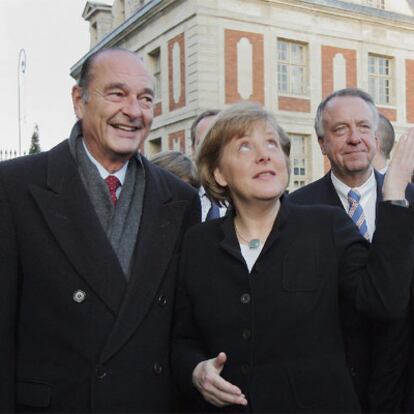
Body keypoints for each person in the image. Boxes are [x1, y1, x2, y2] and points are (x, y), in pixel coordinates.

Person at [171, 101, 414, 413]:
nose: (264, 154)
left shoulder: (327, 225)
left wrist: (393, 194)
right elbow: (181, 339)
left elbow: (384, 302)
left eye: (272, 143)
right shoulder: (198, 242)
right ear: (219, 174)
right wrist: (195, 370)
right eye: (244, 147)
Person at [0, 48, 200, 413]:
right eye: (117, 94)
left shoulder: (181, 200)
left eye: (145, 99)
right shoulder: (14, 187)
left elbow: (183, 328)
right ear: (80, 100)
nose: (134, 111)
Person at [288, 88, 414, 412]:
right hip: (329, 391)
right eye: (340, 129)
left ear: (376, 136)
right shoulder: (294, 210)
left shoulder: (410, 197)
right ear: (321, 143)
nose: (354, 138)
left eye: (363, 127)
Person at [190, 109, 227, 221]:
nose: (211, 150)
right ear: (193, 151)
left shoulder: (251, 200)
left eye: (218, 142)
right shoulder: (181, 198)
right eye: (203, 143)